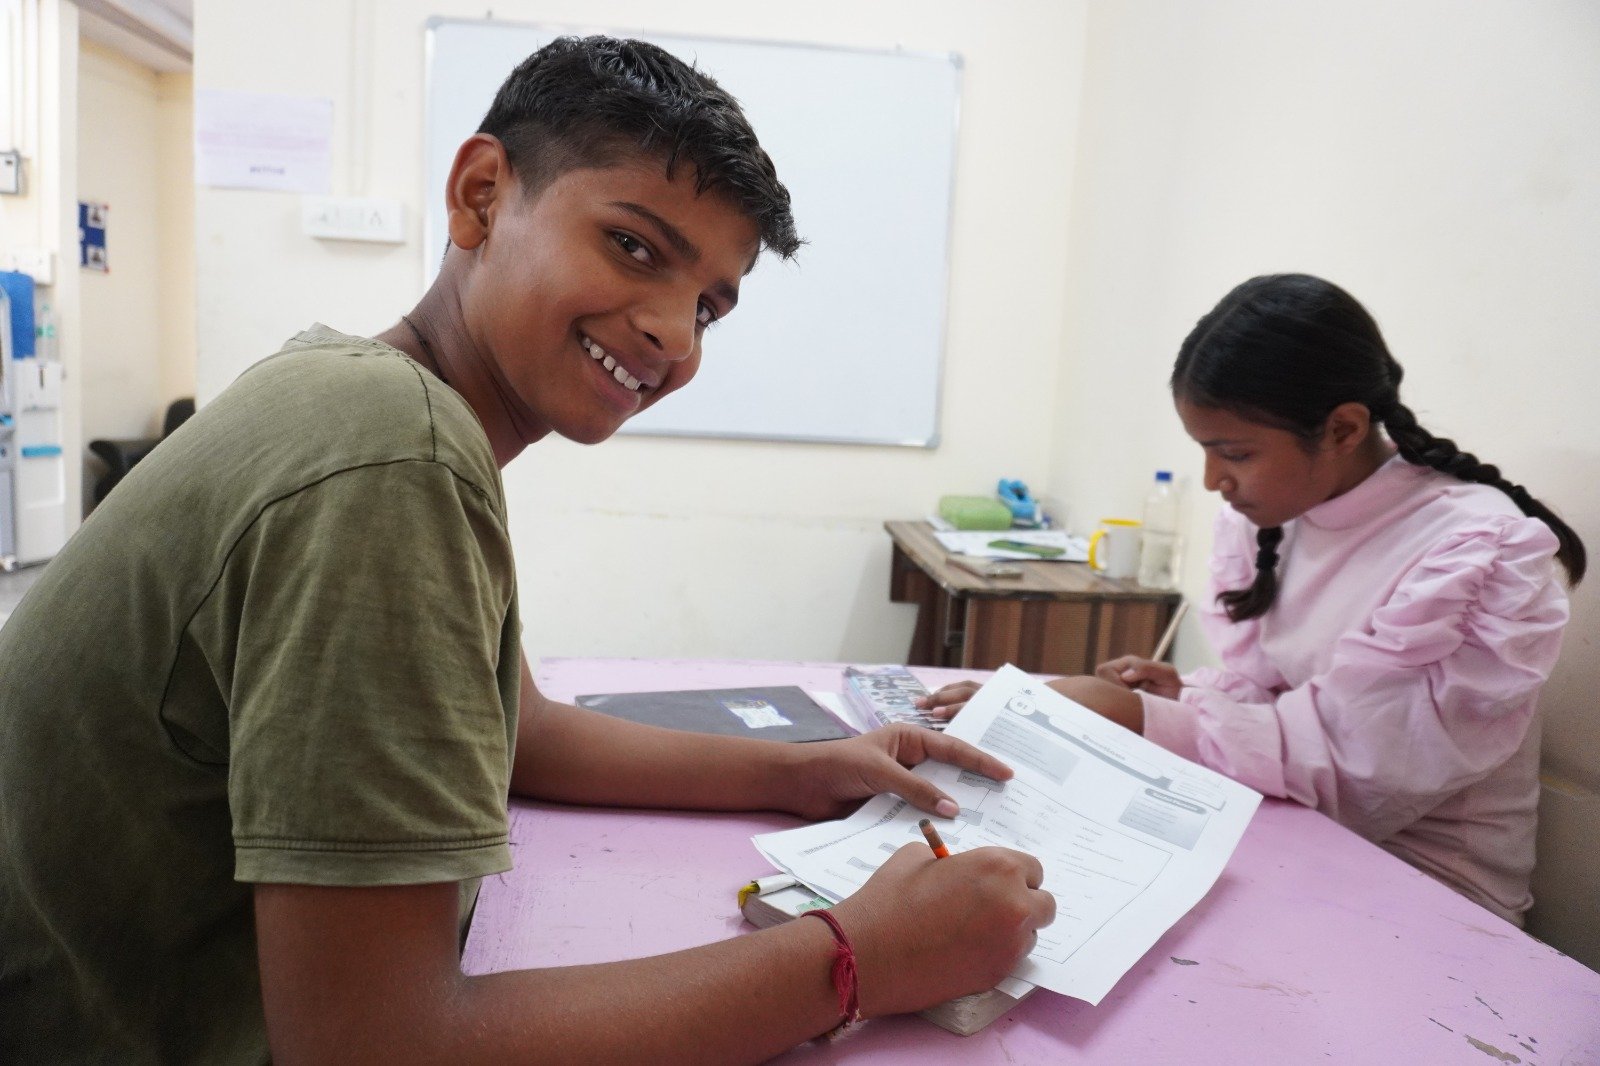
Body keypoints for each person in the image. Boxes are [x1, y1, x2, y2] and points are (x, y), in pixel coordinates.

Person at [0, 37, 1052, 1063]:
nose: (674, 334)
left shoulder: (370, 398)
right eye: (633, 246)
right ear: (481, 195)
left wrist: (802, 772)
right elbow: (374, 1044)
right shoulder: (389, 457)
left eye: (708, 307)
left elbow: (518, 730)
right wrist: (860, 956)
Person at [921, 273, 1583, 926]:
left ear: (1343, 430)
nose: (1214, 480)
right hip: (1299, 837)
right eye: (1205, 452)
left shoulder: (1473, 549)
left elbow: (1356, 773)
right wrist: (1184, 695)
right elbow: (1283, 700)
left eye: (1234, 453)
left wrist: (1136, 715)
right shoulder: (1279, 511)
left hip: (1427, 892)